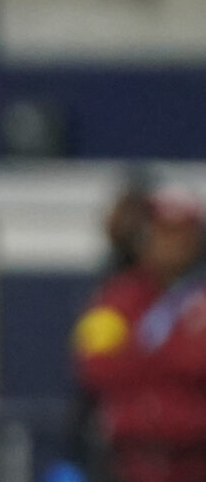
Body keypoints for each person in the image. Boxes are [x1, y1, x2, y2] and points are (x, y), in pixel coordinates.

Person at [74, 186, 206, 482]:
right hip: (127, 462)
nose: (171, 244)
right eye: (163, 232)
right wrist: (177, 361)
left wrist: (140, 357)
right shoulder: (115, 298)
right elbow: (95, 365)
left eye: (181, 233)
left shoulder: (200, 298)